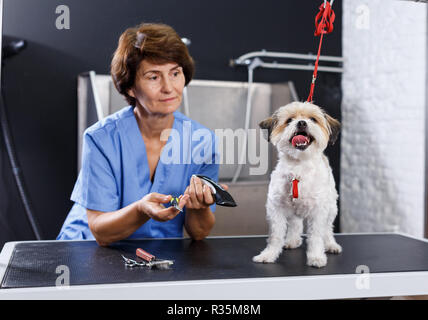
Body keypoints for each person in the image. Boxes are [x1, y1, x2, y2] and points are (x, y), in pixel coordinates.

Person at [57, 22, 226, 246]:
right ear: (129, 86)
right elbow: (100, 231)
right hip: (87, 251)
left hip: (156, 255)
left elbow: (199, 232)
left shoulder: (201, 140)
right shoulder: (101, 139)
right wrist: (141, 209)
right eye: (153, 77)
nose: (169, 87)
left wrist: (200, 206)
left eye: (175, 73)